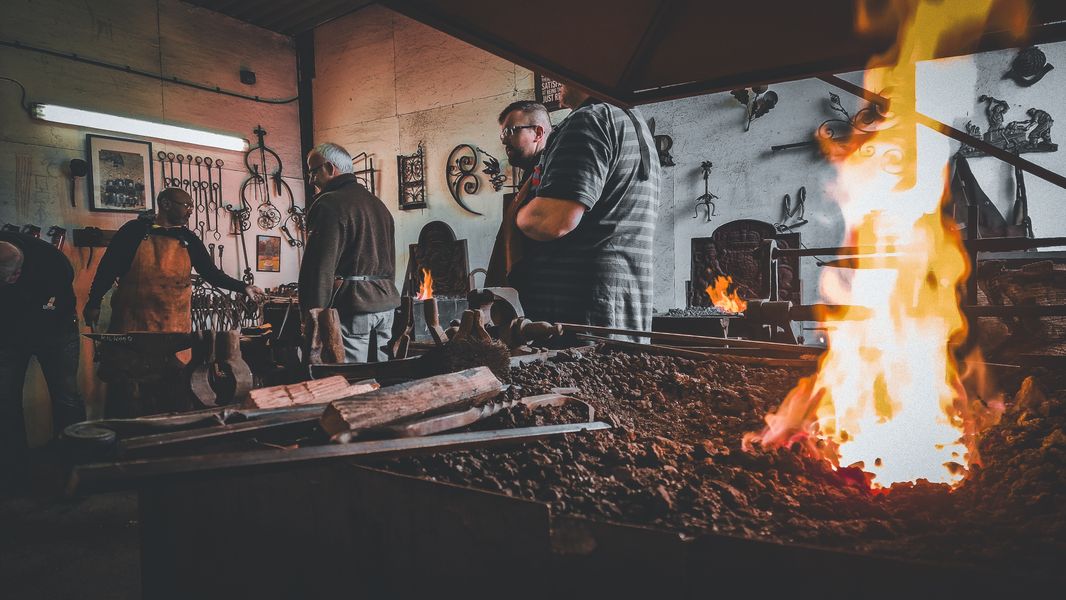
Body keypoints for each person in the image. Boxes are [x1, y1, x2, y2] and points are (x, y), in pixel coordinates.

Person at [510, 83, 660, 335]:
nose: (553, 77)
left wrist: (518, 215)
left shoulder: (589, 120)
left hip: (582, 313)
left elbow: (551, 221)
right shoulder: (633, 122)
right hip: (625, 305)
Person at [84, 187, 265, 333]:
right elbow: (107, 270)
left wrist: (244, 287)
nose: (190, 212)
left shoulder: (188, 239)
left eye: (192, 207)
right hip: (133, 324)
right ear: (166, 204)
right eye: (186, 205)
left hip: (174, 327)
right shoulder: (134, 231)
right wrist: (94, 303)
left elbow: (211, 273)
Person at [301, 142, 400, 362]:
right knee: (383, 377)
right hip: (386, 306)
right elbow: (390, 262)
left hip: (353, 308)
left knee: (350, 379)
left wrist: (312, 315)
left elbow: (319, 267)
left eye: (313, 171)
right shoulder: (378, 205)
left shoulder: (329, 204)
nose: (311, 180)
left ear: (329, 168)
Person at [0, 233, 84, 487]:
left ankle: (75, 466)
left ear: (20, 267)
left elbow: (58, 306)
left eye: (12, 277)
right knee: (5, 400)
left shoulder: (52, 263)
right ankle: (13, 470)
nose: (10, 282)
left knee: (66, 396)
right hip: (9, 336)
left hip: (56, 331)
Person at [486, 100, 553, 286]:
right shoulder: (531, 174)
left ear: (538, 133)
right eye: (502, 134)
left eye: (511, 131)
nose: (505, 140)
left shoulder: (550, 172)